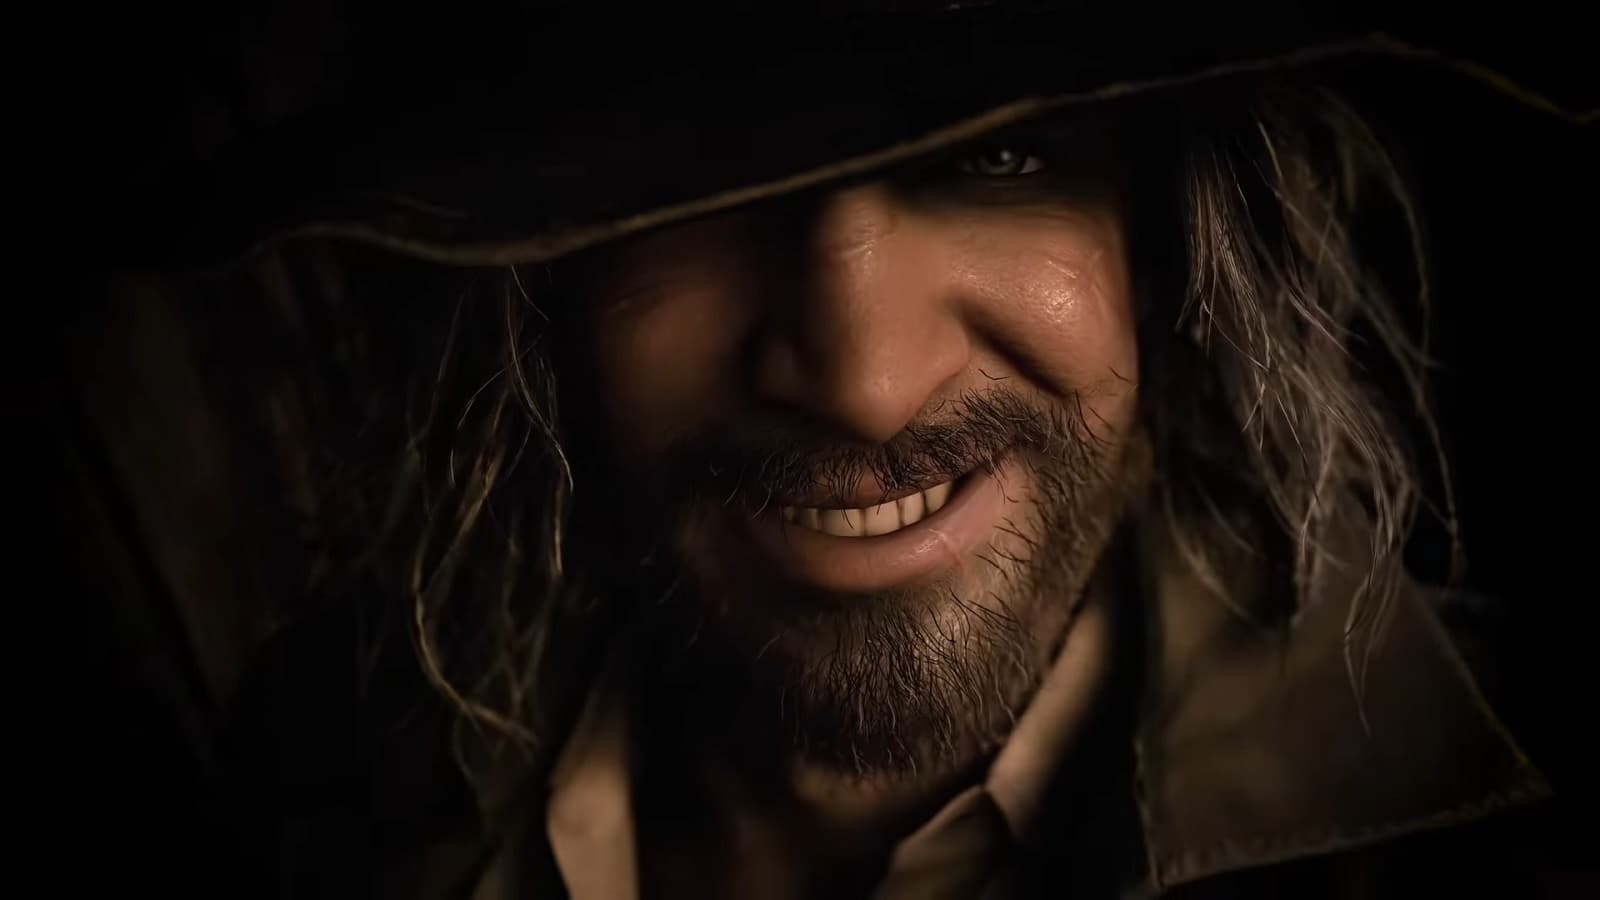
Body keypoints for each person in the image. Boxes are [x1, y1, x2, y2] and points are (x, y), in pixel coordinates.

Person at [49, 5, 1584, 898]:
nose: (863, 382)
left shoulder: (1520, 823)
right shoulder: (317, 808)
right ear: (541, 289)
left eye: (997, 157)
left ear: (1174, 243)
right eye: (690, 190)